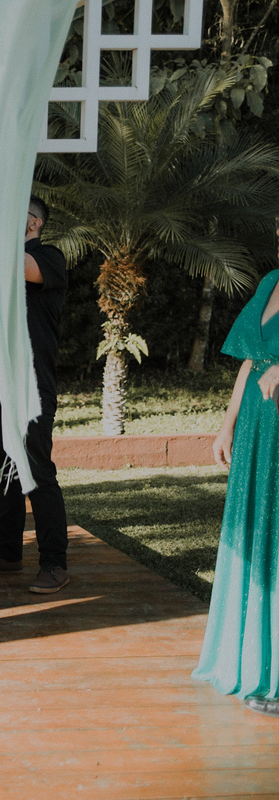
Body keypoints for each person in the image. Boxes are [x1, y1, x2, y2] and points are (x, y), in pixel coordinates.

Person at [192, 268, 279, 718]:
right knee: (254, 533)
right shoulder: (271, 282)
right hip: (254, 426)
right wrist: (227, 426)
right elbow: (250, 361)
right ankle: (250, 662)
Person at [0, 195, 71, 593]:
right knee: (1, 473)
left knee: (36, 473)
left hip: (27, 388)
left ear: (34, 224)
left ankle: (54, 563)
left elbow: (19, 267)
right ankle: (8, 551)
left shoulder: (48, 258)